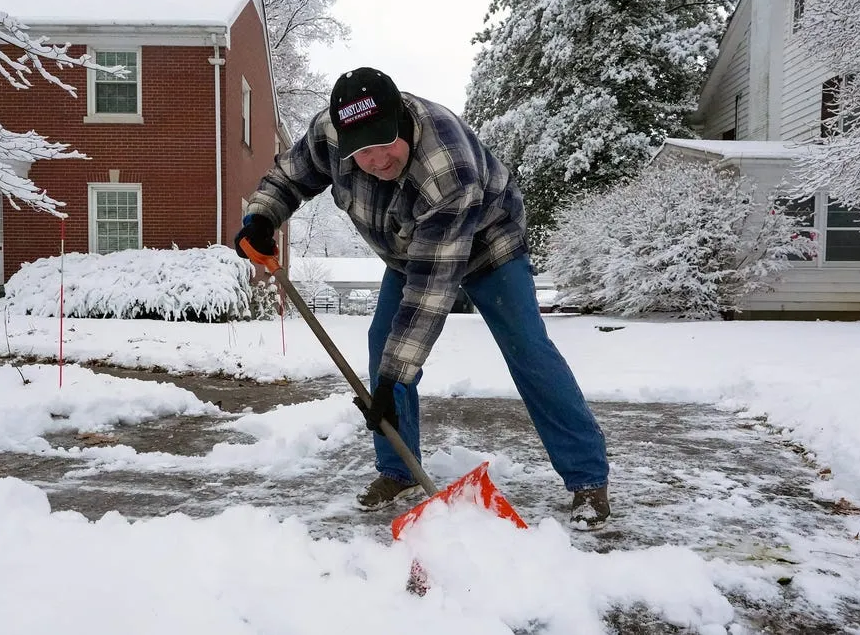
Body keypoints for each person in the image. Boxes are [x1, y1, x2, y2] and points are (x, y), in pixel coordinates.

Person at [234, 67, 611, 530]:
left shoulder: (446, 166)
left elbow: (430, 296)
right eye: (362, 150)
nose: (374, 159)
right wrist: (261, 218)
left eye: (383, 142)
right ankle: (399, 470)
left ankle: (587, 478)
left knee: (528, 350)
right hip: (408, 246)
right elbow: (289, 178)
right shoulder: (330, 134)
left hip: (490, 247)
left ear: (402, 118)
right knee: (382, 344)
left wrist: (393, 380)